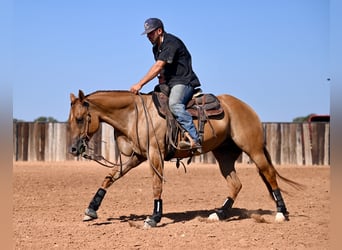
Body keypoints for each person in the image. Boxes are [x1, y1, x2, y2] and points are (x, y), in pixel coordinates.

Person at [130, 18, 201, 150]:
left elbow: (158, 65)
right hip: (170, 83)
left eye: (151, 33)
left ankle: (195, 138)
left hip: (184, 82)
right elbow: (163, 68)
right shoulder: (156, 48)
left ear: (159, 31)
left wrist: (140, 84)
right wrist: (162, 77)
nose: (149, 36)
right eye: (147, 34)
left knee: (175, 104)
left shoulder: (171, 43)